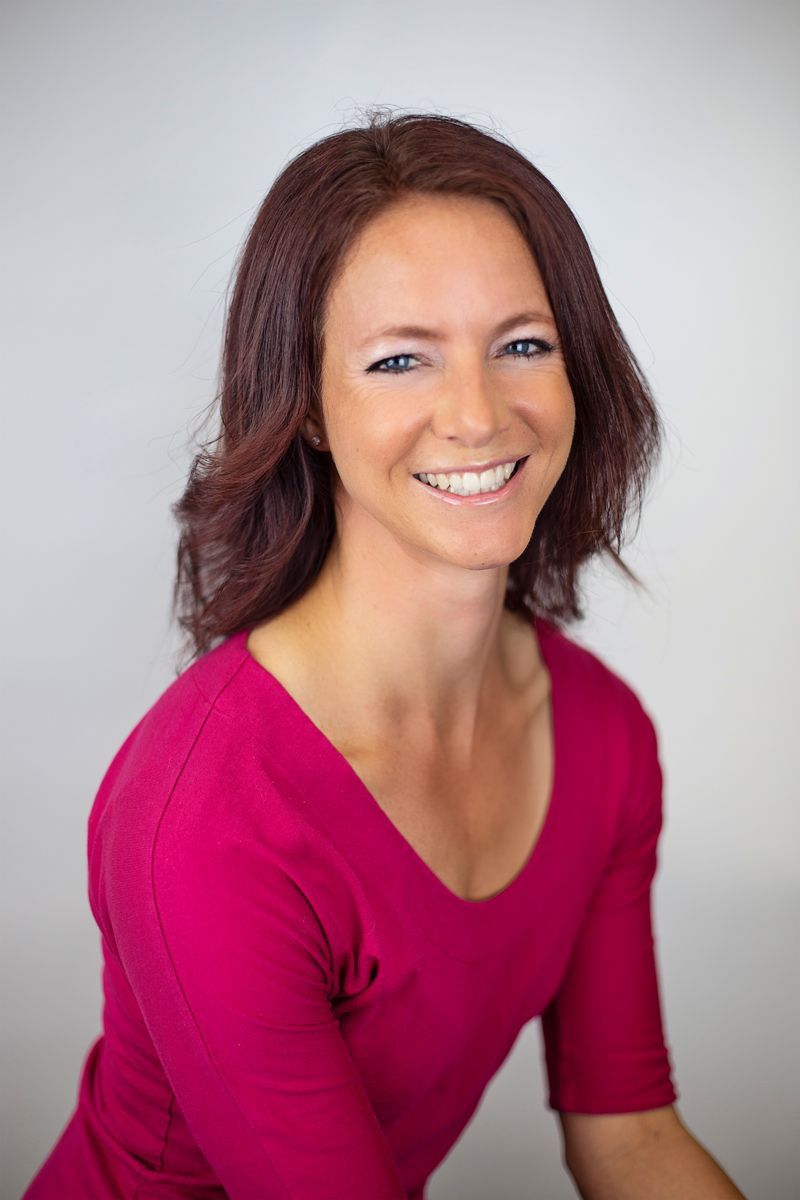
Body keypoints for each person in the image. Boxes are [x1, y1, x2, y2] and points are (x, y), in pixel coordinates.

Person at [22, 108, 747, 1200]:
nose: (474, 413)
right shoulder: (209, 821)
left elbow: (630, 1139)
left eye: (521, 344)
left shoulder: (599, 734)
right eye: (399, 359)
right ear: (307, 407)